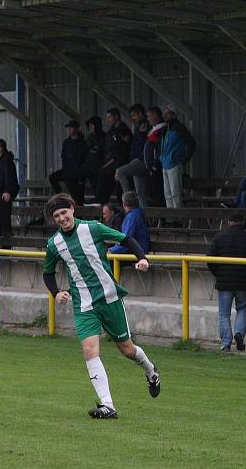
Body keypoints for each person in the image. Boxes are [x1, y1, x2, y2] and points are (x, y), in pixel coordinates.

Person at [42, 193, 160, 419]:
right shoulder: (54, 243)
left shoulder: (93, 228)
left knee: (127, 350)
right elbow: (48, 272)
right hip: (84, 305)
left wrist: (142, 258)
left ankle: (151, 371)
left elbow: (127, 239)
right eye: (56, 216)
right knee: (89, 350)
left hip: (109, 298)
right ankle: (108, 405)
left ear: (72, 209)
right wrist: (57, 293)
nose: (61, 218)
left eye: (63, 212)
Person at [207, 214, 246, 352]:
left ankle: (226, 343)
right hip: (243, 280)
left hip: (224, 280)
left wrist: (217, 274)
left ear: (229, 222)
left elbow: (210, 260)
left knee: (224, 313)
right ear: (243, 223)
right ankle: (239, 333)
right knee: (242, 308)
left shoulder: (219, 237)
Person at [158, 105, 195, 208]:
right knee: (167, 194)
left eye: (168, 113)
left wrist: (183, 160)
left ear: (174, 115)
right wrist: (159, 157)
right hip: (165, 164)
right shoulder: (165, 128)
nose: (165, 115)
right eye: (164, 113)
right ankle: (171, 219)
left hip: (174, 163)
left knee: (176, 193)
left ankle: (179, 218)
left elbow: (191, 143)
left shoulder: (179, 128)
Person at [115, 104, 152, 206]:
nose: (132, 118)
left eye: (134, 115)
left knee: (120, 172)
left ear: (140, 113)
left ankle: (128, 200)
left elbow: (146, 144)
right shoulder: (139, 126)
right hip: (136, 160)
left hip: (141, 160)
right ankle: (143, 217)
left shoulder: (144, 125)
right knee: (141, 193)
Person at [95, 108, 132, 205]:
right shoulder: (111, 131)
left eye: (109, 117)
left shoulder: (123, 129)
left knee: (104, 173)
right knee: (108, 182)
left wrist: (112, 162)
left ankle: (99, 201)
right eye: (107, 118)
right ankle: (101, 202)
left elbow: (122, 150)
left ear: (116, 117)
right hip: (111, 162)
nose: (108, 120)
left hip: (120, 162)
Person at [48, 120, 89, 203]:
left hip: (79, 173)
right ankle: (61, 197)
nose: (69, 130)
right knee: (52, 177)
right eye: (68, 128)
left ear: (77, 129)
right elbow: (64, 157)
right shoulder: (66, 142)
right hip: (67, 171)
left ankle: (78, 211)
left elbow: (85, 159)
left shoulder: (83, 143)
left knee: (79, 198)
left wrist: (80, 172)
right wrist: (65, 169)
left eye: (71, 128)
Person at [0, 138, 19, 245]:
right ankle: (1, 242)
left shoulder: (6, 159)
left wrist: (7, 191)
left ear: (0, 147)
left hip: (3, 192)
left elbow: (8, 176)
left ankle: (6, 245)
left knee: (4, 218)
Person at [109, 191, 150, 257]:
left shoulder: (133, 216)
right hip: (137, 252)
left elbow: (126, 241)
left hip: (137, 255)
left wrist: (111, 250)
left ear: (124, 204)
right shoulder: (135, 214)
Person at [80, 116, 106, 204]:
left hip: (100, 167)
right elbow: (85, 151)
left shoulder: (104, 136)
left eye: (92, 125)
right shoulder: (89, 137)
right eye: (89, 125)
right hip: (89, 167)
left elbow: (100, 151)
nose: (90, 127)